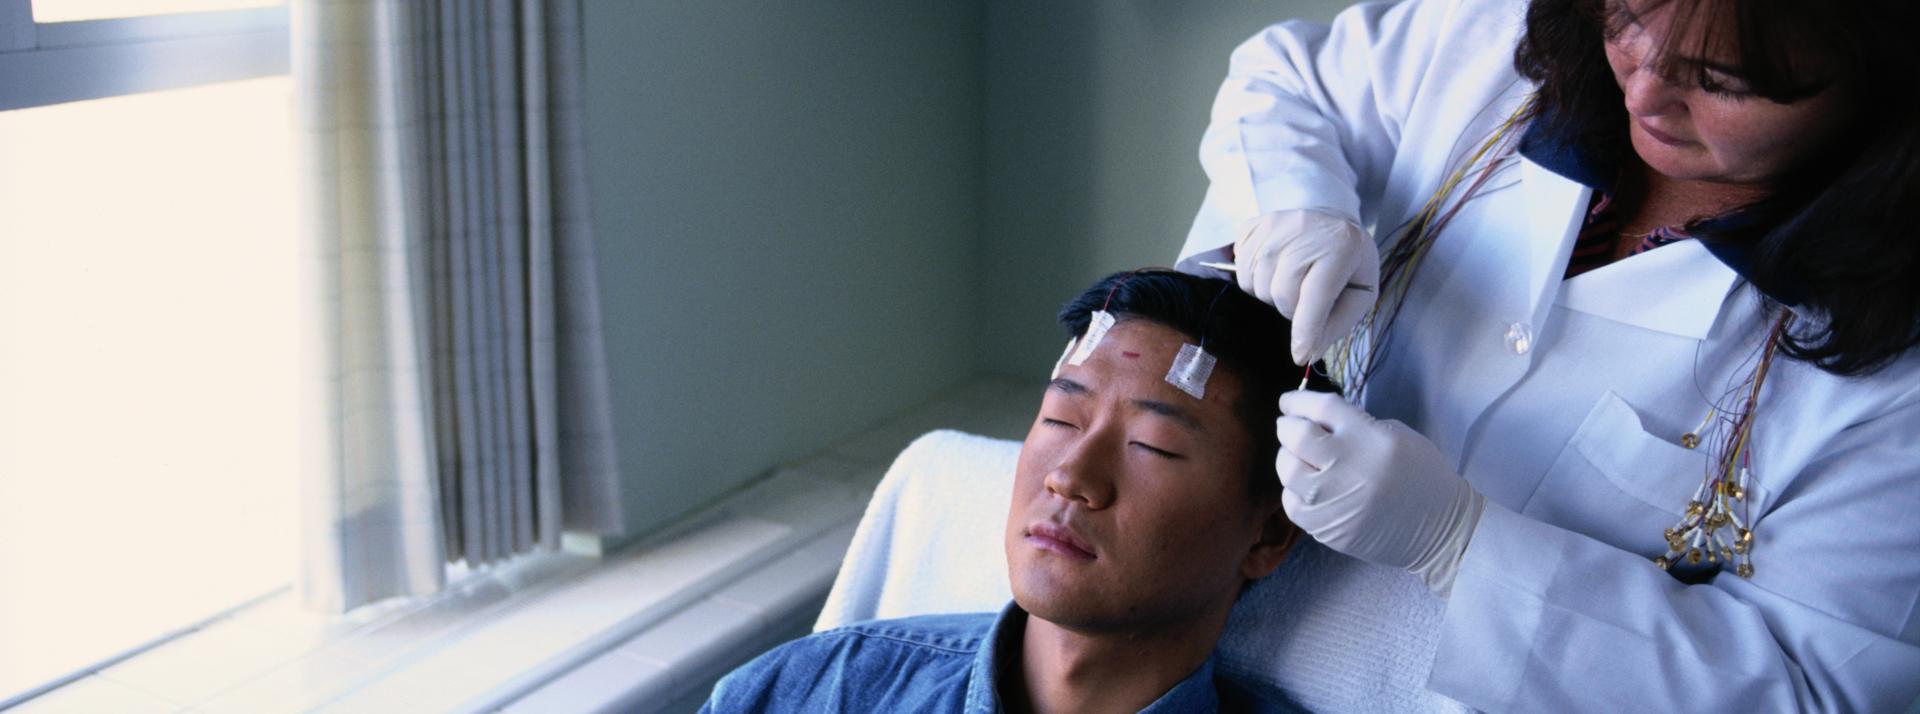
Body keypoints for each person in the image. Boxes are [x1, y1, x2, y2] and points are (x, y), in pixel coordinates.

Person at [1179, 0, 1920, 710]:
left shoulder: (1896, 384)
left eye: (1721, 80)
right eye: (1628, 18)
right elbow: (1285, 81)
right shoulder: (1492, 38)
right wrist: (1293, 200)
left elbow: (1814, 693)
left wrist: (1462, 548)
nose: (1647, 91)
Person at [702, 270, 1319, 713]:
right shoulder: (812, 692)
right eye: (1060, 421)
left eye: (1153, 446)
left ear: (1266, 534)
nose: (1069, 477)